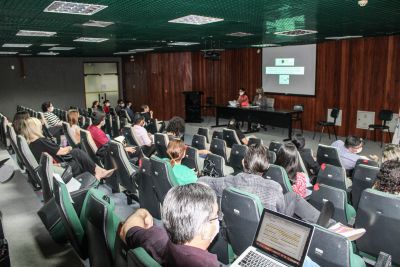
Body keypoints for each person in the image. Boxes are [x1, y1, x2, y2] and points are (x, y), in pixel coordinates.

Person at [199, 144, 326, 224]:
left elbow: (202, 181)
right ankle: (326, 223)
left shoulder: (229, 181)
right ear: (266, 167)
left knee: (292, 197)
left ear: (243, 163)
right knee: (293, 197)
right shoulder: (274, 187)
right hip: (268, 229)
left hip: (239, 224)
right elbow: (280, 212)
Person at [120, 183, 221, 267]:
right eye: (216, 216)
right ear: (205, 229)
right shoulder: (207, 264)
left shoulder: (155, 237)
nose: (218, 220)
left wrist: (141, 212)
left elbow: (125, 230)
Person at [21, 117, 114, 179]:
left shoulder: (31, 143)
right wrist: (69, 147)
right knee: (77, 153)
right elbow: (61, 151)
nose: (41, 128)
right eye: (39, 127)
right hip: (58, 166)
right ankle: (98, 171)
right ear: (35, 128)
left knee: (77, 152)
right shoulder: (41, 141)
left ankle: (99, 171)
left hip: (51, 166)